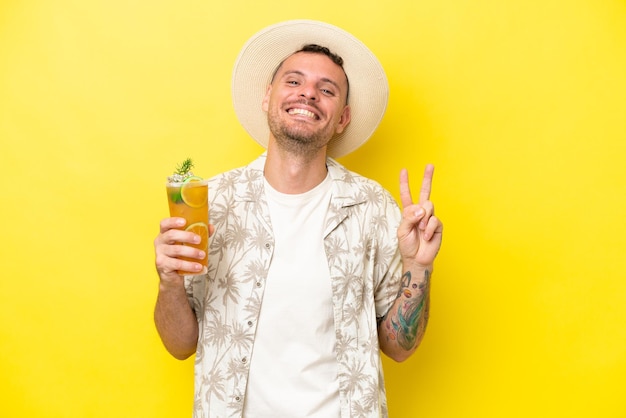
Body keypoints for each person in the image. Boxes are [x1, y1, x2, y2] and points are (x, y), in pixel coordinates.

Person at [153, 19, 443, 418]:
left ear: (342, 118)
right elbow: (179, 345)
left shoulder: (373, 208)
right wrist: (169, 281)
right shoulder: (213, 202)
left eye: (327, 90)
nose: (308, 93)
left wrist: (418, 267)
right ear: (267, 96)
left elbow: (398, 349)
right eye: (293, 82)